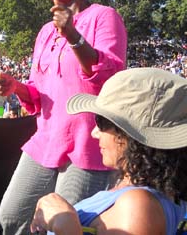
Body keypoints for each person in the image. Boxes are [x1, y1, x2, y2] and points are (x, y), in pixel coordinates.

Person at [0, 0, 127, 234]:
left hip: (88, 143)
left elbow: (111, 75)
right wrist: (16, 87)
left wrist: (73, 36)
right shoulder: (45, 31)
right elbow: (40, 94)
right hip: (46, 140)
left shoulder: (104, 17)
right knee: (12, 215)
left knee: (66, 225)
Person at [30, 67, 187, 235]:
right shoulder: (151, 195)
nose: (95, 132)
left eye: (102, 122)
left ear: (132, 137)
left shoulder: (137, 206)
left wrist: (66, 225)